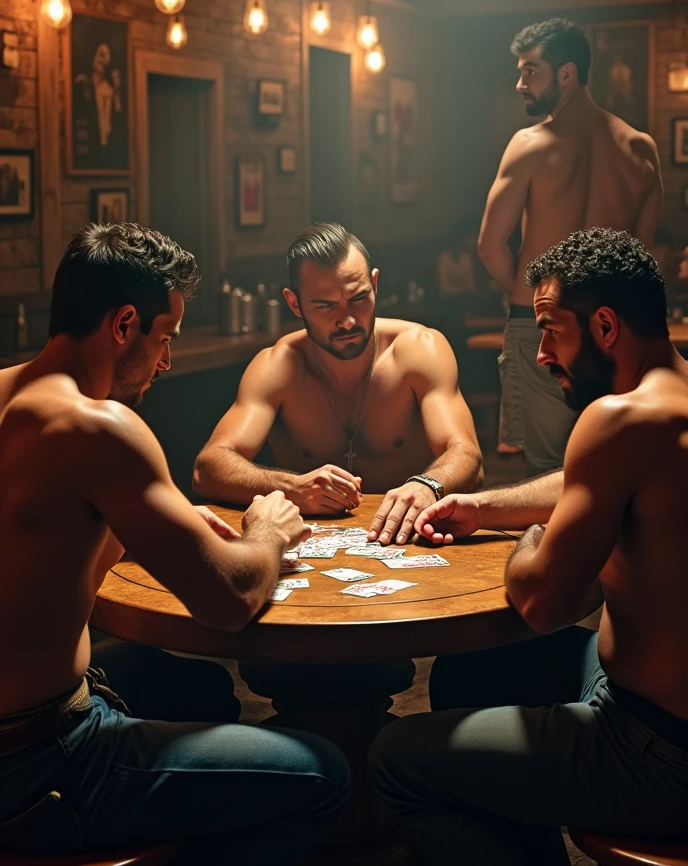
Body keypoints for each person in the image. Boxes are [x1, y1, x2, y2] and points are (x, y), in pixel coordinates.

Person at [0, 222, 349, 862]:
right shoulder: (98, 427)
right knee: (321, 774)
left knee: (198, 692)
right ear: (124, 323)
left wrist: (164, 528)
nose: (165, 362)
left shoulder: (9, 396)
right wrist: (266, 534)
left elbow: (40, 542)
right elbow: (231, 599)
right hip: (36, 766)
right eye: (165, 339)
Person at [370, 228, 688, 865]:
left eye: (551, 330)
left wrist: (530, 542)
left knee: (394, 762)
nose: (542, 354)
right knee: (471, 671)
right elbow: (588, 481)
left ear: (604, 325)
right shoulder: (671, 401)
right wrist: (485, 507)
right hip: (654, 703)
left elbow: (543, 600)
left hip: (656, 748)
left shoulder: (616, 420)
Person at [193, 222, 482, 546]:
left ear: (375, 284)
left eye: (358, 298)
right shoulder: (277, 367)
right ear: (294, 303)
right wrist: (293, 488)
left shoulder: (420, 350)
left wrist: (428, 484)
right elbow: (209, 467)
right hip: (310, 548)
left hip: (410, 541)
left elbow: (467, 455)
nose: (347, 320)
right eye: (325, 306)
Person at [478, 18, 663, 476]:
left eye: (531, 71)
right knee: (609, 461)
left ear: (567, 74)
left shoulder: (529, 145)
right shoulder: (641, 150)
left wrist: (533, 303)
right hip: (609, 327)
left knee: (545, 470)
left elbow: (489, 245)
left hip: (540, 325)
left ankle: (548, 549)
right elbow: (637, 260)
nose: (520, 83)